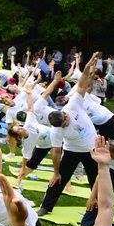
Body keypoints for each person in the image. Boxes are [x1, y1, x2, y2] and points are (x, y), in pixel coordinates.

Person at [39, 54, 101, 216]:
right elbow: (56, 152)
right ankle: (46, 206)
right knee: (58, 179)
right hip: (72, 151)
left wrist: (88, 63)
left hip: (91, 148)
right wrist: (55, 172)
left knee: (97, 179)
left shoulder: (72, 105)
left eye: (65, 122)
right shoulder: (56, 130)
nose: (65, 125)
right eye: (63, 126)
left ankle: (100, 207)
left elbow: (82, 83)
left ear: (64, 115)